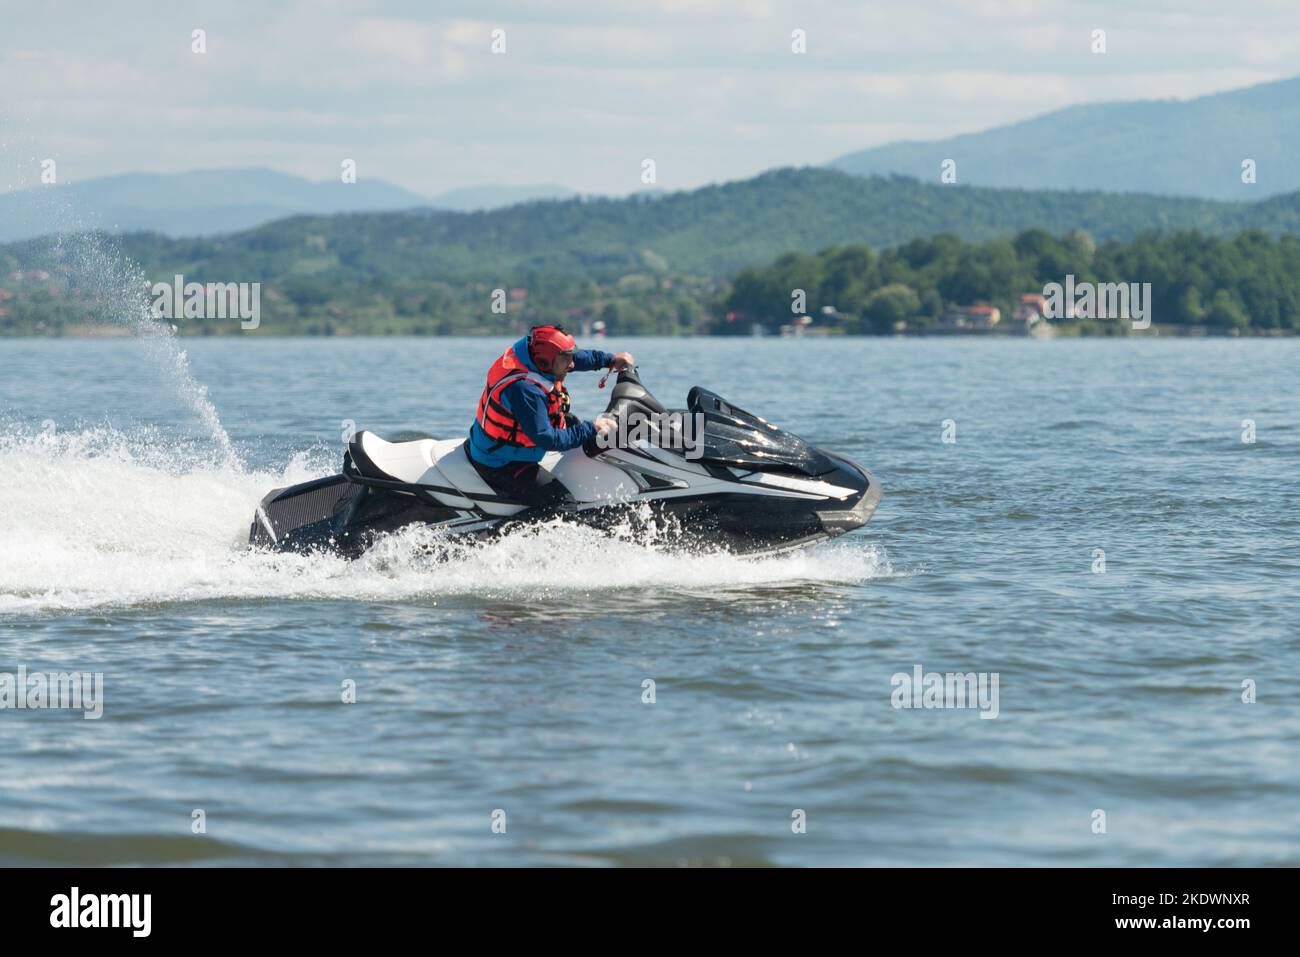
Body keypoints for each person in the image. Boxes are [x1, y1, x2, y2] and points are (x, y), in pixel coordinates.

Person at [467, 325, 633, 507]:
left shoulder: (535, 355)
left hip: (508, 439)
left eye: (570, 357)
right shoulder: (525, 390)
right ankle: (492, 534)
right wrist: (591, 427)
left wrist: (610, 360)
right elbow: (546, 439)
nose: (571, 365)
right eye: (566, 360)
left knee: (577, 429)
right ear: (546, 362)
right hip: (500, 462)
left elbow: (575, 357)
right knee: (563, 505)